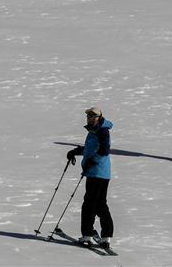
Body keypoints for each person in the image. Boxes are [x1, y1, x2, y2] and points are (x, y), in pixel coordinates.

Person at [66, 106, 114, 249]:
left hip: (98, 172)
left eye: (93, 116)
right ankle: (106, 236)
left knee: (89, 204)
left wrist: (93, 161)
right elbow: (90, 149)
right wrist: (75, 151)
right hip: (98, 173)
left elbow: (104, 151)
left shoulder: (102, 131)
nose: (90, 118)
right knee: (99, 204)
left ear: (99, 117)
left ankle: (87, 235)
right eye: (88, 116)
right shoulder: (94, 131)